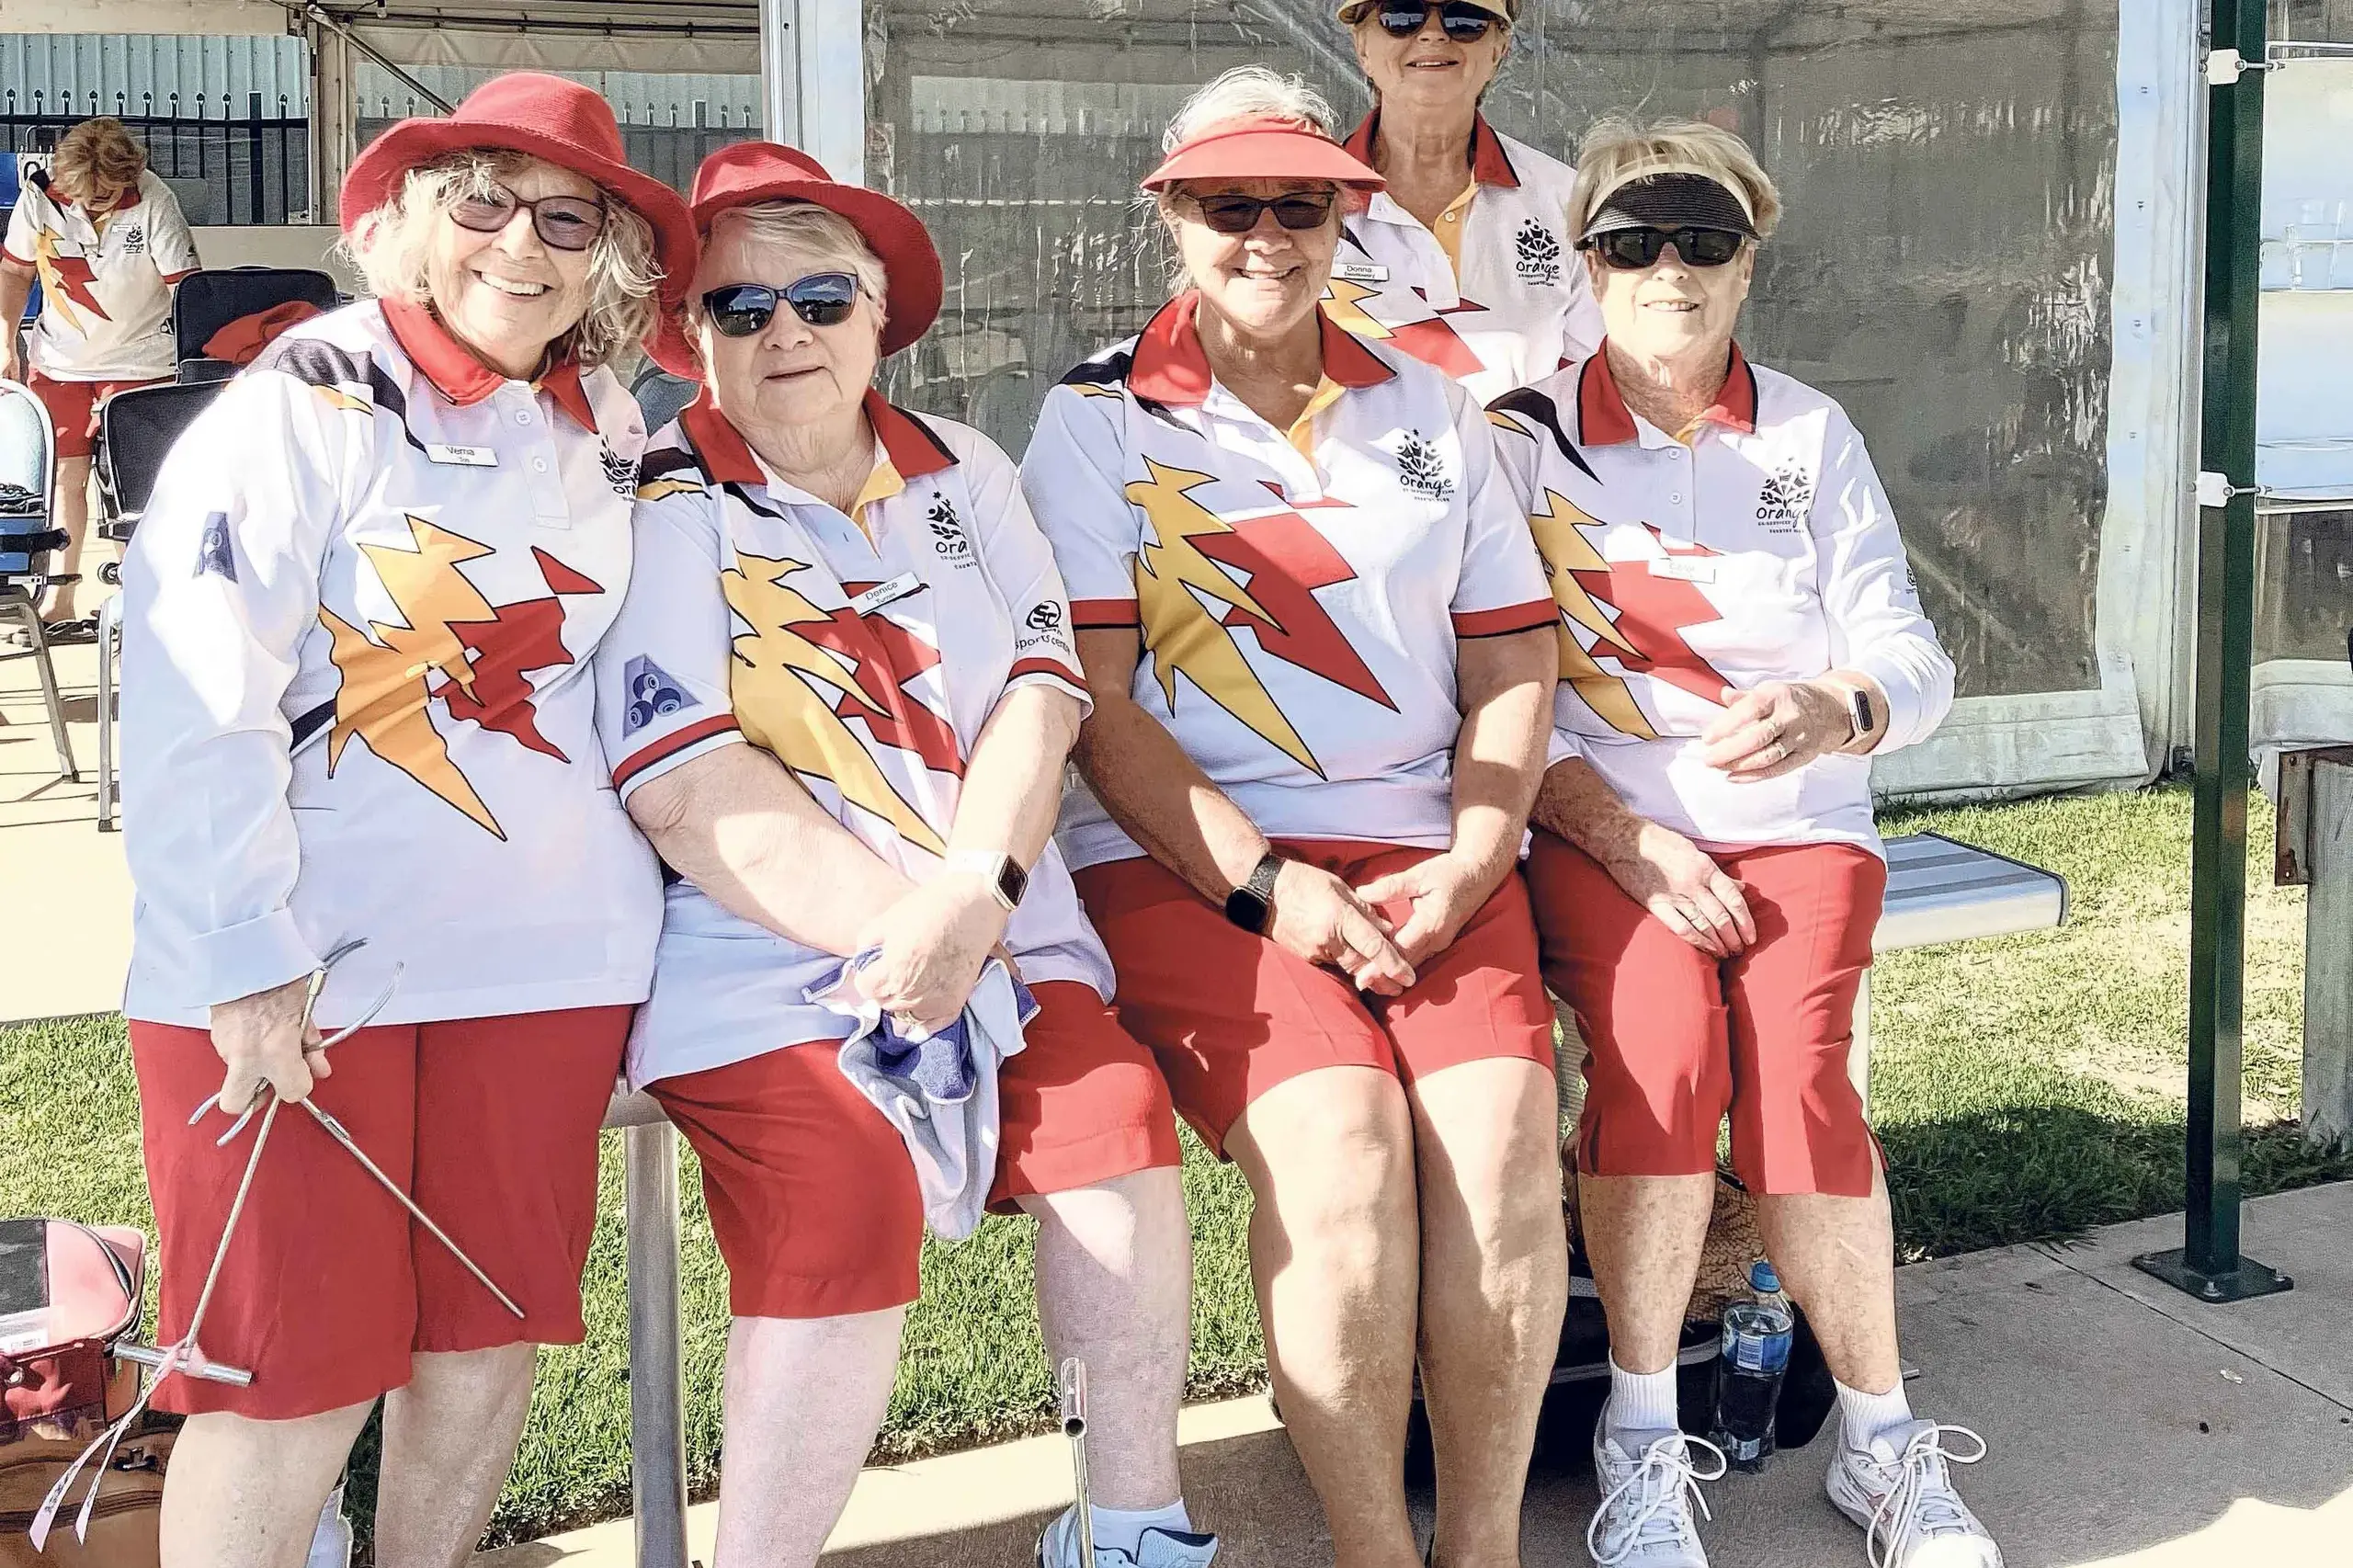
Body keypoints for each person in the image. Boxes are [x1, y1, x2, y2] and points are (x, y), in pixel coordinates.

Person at [597, 141, 1214, 1568]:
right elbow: (683, 781)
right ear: (695, 342)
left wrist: (974, 897)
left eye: (818, 300)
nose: (785, 335)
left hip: (990, 918)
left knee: (1114, 1122)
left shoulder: (968, 469)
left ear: (880, 315)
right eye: (740, 311)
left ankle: (1129, 1527)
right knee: (843, 1200)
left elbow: (1043, 695)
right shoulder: (658, 495)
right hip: (766, 949)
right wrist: (905, 931)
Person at [116, 73, 694, 1568]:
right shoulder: (303, 399)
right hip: (296, 984)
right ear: (405, 224)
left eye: (567, 217)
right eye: (481, 201)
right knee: (285, 1380)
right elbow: (196, 699)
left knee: (482, 1351)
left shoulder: (611, 422)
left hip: (543, 973)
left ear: (609, 255)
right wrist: (245, 959)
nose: (522, 245)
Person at [1024, 68, 1567, 1568]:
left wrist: (1478, 848)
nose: (1266, 233)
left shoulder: (1434, 408)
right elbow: (1099, 706)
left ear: (1346, 214)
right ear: (1173, 216)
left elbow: (1515, 653)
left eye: (1299, 201)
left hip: (1431, 850)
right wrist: (1271, 886)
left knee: (1508, 1150)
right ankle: (1372, 1552)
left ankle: (1482, 1548)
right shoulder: (1094, 424)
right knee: (1341, 1153)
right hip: (1189, 862)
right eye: (1228, 202)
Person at [1486, 118, 1995, 1568]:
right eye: (1632, 240)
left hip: (1800, 828)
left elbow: (1910, 649)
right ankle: (1642, 1438)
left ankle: (1883, 1446)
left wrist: (1841, 703)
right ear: (1584, 260)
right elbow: (1492, 683)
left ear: (1749, 259)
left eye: (1702, 239)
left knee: (1800, 1081)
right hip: (1607, 826)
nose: (1668, 269)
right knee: (1657, 1054)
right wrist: (1628, 837)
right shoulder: (1517, 441)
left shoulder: (1809, 431)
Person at [1325, 0, 1603, 403]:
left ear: (1499, 48)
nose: (1433, 34)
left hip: (1519, 465)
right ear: (1362, 45)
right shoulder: (1302, 202)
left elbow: (1592, 377)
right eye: (1401, 16)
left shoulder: (1569, 201)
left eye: (1464, 19)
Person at [0, 117, 199, 636]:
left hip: (139, 365)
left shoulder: (155, 199)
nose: (89, 206)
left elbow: (188, 287)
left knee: (130, 491)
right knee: (64, 482)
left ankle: (136, 606)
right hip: (58, 362)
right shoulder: (40, 195)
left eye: (105, 194)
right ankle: (58, 601)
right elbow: (15, 272)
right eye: (80, 194)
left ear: (131, 175)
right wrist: (5, 341)